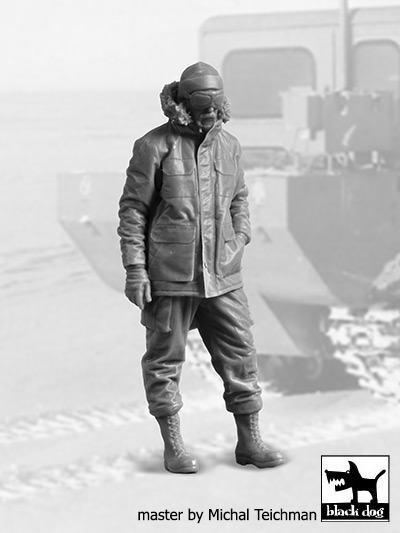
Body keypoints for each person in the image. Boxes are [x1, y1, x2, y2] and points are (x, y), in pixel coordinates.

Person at [117, 62, 285, 474]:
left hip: (224, 275)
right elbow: (133, 210)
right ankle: (173, 447)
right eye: (201, 104)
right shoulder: (153, 146)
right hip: (169, 276)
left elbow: (239, 196)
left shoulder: (230, 145)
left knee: (241, 355)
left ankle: (250, 442)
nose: (209, 112)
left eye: (215, 104)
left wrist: (239, 236)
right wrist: (136, 269)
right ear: (183, 102)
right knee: (164, 361)